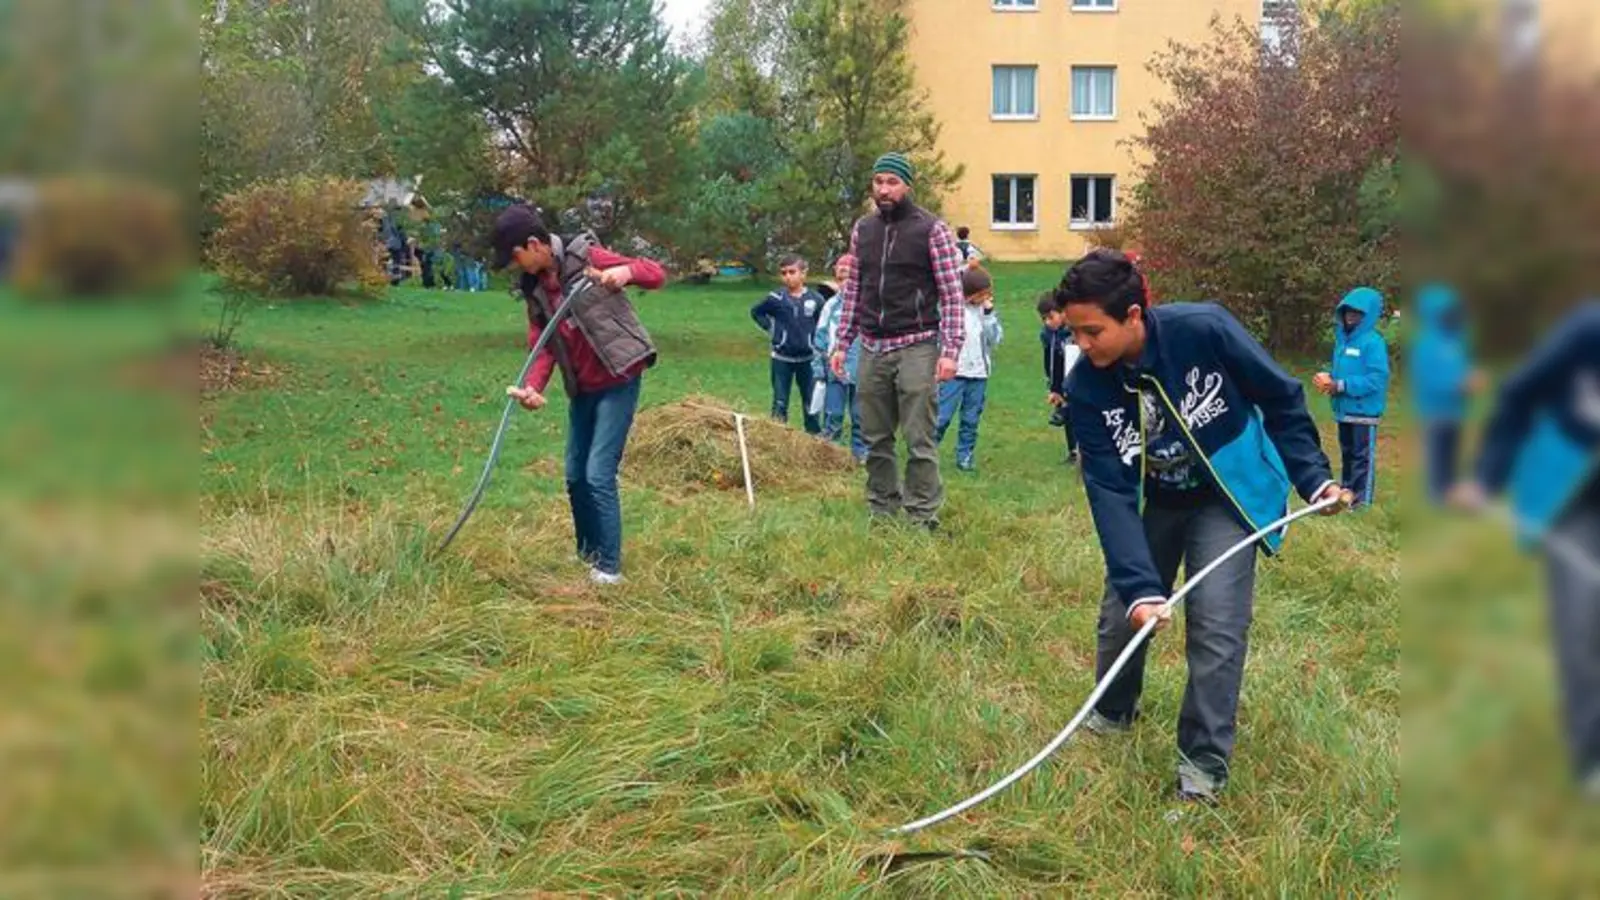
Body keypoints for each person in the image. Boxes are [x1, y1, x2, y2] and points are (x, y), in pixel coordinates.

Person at [1059, 249, 1349, 803]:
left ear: (1135, 315)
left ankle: (1202, 769)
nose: (1084, 345)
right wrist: (1142, 589)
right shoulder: (1087, 389)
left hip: (1225, 495)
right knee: (1124, 614)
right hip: (1157, 500)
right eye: (1076, 333)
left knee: (1217, 626)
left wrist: (1313, 478)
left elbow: (1282, 398)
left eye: (1093, 331)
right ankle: (1114, 712)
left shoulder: (1205, 330)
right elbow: (1111, 493)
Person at [1450, 302, 1600, 798]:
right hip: (1572, 499)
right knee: (1580, 624)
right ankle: (1591, 757)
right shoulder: (1586, 333)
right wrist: (1488, 477)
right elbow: (1517, 396)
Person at [493, 204, 667, 585]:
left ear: (534, 244)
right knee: (574, 474)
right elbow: (542, 342)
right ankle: (589, 556)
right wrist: (533, 387)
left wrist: (625, 271)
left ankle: (609, 569)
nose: (514, 265)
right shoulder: (536, 288)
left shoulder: (586, 255)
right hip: (583, 387)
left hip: (618, 377)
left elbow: (655, 273)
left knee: (597, 472)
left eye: (515, 256)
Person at [830, 151, 966, 530]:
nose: (884, 189)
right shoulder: (864, 230)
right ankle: (882, 507)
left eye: (892, 182)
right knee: (874, 436)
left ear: (907, 186)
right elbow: (855, 289)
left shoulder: (931, 230)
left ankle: (922, 513)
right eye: (878, 182)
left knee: (919, 437)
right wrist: (843, 342)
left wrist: (950, 350)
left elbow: (952, 293)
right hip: (872, 345)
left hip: (917, 343)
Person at [1314, 287, 1391, 509]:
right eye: (1347, 312)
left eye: (1357, 313)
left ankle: (1361, 503)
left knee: (1361, 458)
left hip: (1364, 411)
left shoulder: (1373, 342)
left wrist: (1341, 385)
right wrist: (1328, 376)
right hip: (1344, 409)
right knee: (1347, 455)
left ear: (1368, 316)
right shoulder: (1343, 340)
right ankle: (1346, 496)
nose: (1351, 316)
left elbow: (1377, 379)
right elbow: (1345, 369)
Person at [1409, 283, 1483, 505]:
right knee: (1438, 453)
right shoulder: (1426, 344)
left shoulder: (1458, 342)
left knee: (1452, 452)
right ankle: (1437, 494)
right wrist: (1457, 385)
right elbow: (1427, 379)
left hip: (1455, 411)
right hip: (1434, 410)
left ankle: (1450, 490)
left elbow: (1463, 369)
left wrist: (1471, 380)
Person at [935, 266, 1003, 472]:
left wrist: (990, 316)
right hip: (954, 373)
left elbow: (996, 339)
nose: (986, 298)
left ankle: (965, 456)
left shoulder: (985, 312)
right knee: (942, 416)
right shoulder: (951, 310)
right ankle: (927, 452)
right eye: (982, 294)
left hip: (979, 374)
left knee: (971, 418)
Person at [751, 254, 825, 434]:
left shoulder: (816, 299)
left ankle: (814, 438)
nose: (788, 277)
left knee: (810, 401)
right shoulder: (775, 298)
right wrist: (771, 329)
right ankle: (777, 437)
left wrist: (816, 342)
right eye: (784, 273)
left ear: (803, 274)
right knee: (780, 401)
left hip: (807, 359)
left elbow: (822, 322)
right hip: (781, 358)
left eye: (792, 272)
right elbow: (756, 312)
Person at [815, 254, 867, 461]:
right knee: (833, 412)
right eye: (841, 279)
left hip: (862, 369)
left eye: (850, 279)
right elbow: (820, 336)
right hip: (835, 368)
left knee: (860, 414)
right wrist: (820, 365)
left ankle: (860, 451)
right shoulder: (831, 306)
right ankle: (832, 451)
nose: (846, 284)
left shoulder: (868, 306)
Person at [1039, 291, 1082, 465]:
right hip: (1061, 381)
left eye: (1051, 317)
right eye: (1044, 319)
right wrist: (1054, 388)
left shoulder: (1075, 331)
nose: (1048, 322)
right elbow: (1051, 361)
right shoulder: (1048, 335)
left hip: (1078, 379)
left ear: (1063, 312)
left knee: (1080, 413)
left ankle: (1085, 450)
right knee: (1068, 417)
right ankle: (1073, 451)